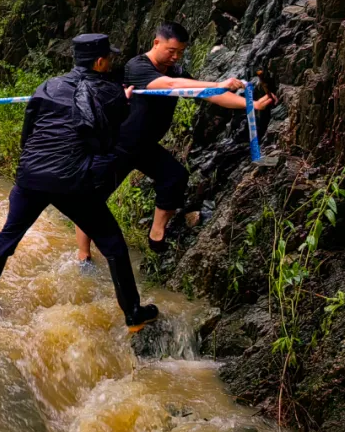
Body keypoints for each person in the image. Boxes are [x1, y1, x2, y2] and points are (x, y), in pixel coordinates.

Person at [0, 33, 160, 331]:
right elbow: (111, 135)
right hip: (74, 182)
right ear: (99, 62)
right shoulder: (110, 91)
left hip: (31, 177)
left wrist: (32, 168)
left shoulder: (48, 85)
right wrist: (123, 103)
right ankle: (133, 314)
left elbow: (28, 132)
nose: (110, 63)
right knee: (112, 244)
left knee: (8, 237)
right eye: (108, 58)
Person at [74, 22, 277, 262]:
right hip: (118, 145)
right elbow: (170, 86)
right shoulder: (136, 66)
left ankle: (156, 235)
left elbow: (207, 94)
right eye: (171, 50)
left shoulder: (177, 71)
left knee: (175, 176)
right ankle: (83, 255)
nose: (176, 56)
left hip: (146, 146)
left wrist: (249, 105)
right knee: (91, 199)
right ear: (156, 42)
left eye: (180, 52)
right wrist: (217, 83)